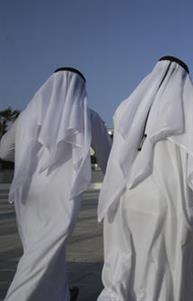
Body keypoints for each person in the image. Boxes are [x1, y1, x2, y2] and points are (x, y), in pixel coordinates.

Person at [97, 56, 193, 301]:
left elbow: (115, 158)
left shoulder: (128, 106)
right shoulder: (191, 101)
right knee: (160, 274)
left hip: (124, 199)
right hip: (166, 203)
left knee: (122, 275)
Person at [0, 67, 112, 301]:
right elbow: (108, 158)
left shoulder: (28, 115)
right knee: (41, 255)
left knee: (41, 250)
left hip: (28, 193)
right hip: (62, 196)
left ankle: (58, 294)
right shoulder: (88, 116)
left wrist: (27, 160)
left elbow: (4, 150)